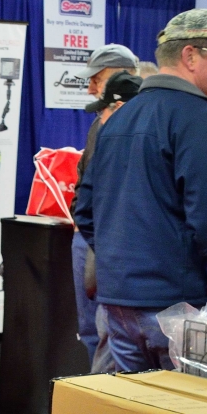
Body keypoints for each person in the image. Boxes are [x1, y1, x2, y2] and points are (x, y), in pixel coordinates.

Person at [74, 9, 207, 374]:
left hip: (119, 306)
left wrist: (121, 267)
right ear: (190, 56)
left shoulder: (118, 117)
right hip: (177, 310)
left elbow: (85, 209)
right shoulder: (199, 118)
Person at [68, 45, 140, 360]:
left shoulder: (128, 120)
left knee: (106, 328)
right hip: (96, 235)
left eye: (96, 78)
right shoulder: (103, 120)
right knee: (93, 327)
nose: (90, 87)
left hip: (105, 239)